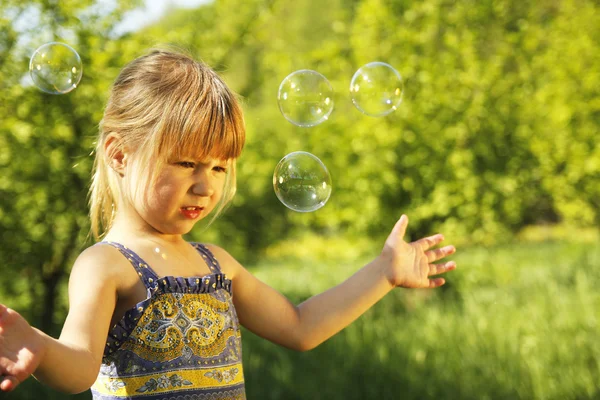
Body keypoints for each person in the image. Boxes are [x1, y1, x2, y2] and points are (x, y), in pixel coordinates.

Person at [0, 48, 457, 399]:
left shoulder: (215, 263)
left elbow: (301, 326)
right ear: (120, 154)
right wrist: (37, 345)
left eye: (219, 168)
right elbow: (80, 368)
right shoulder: (106, 265)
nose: (206, 186)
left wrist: (384, 272)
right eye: (186, 163)